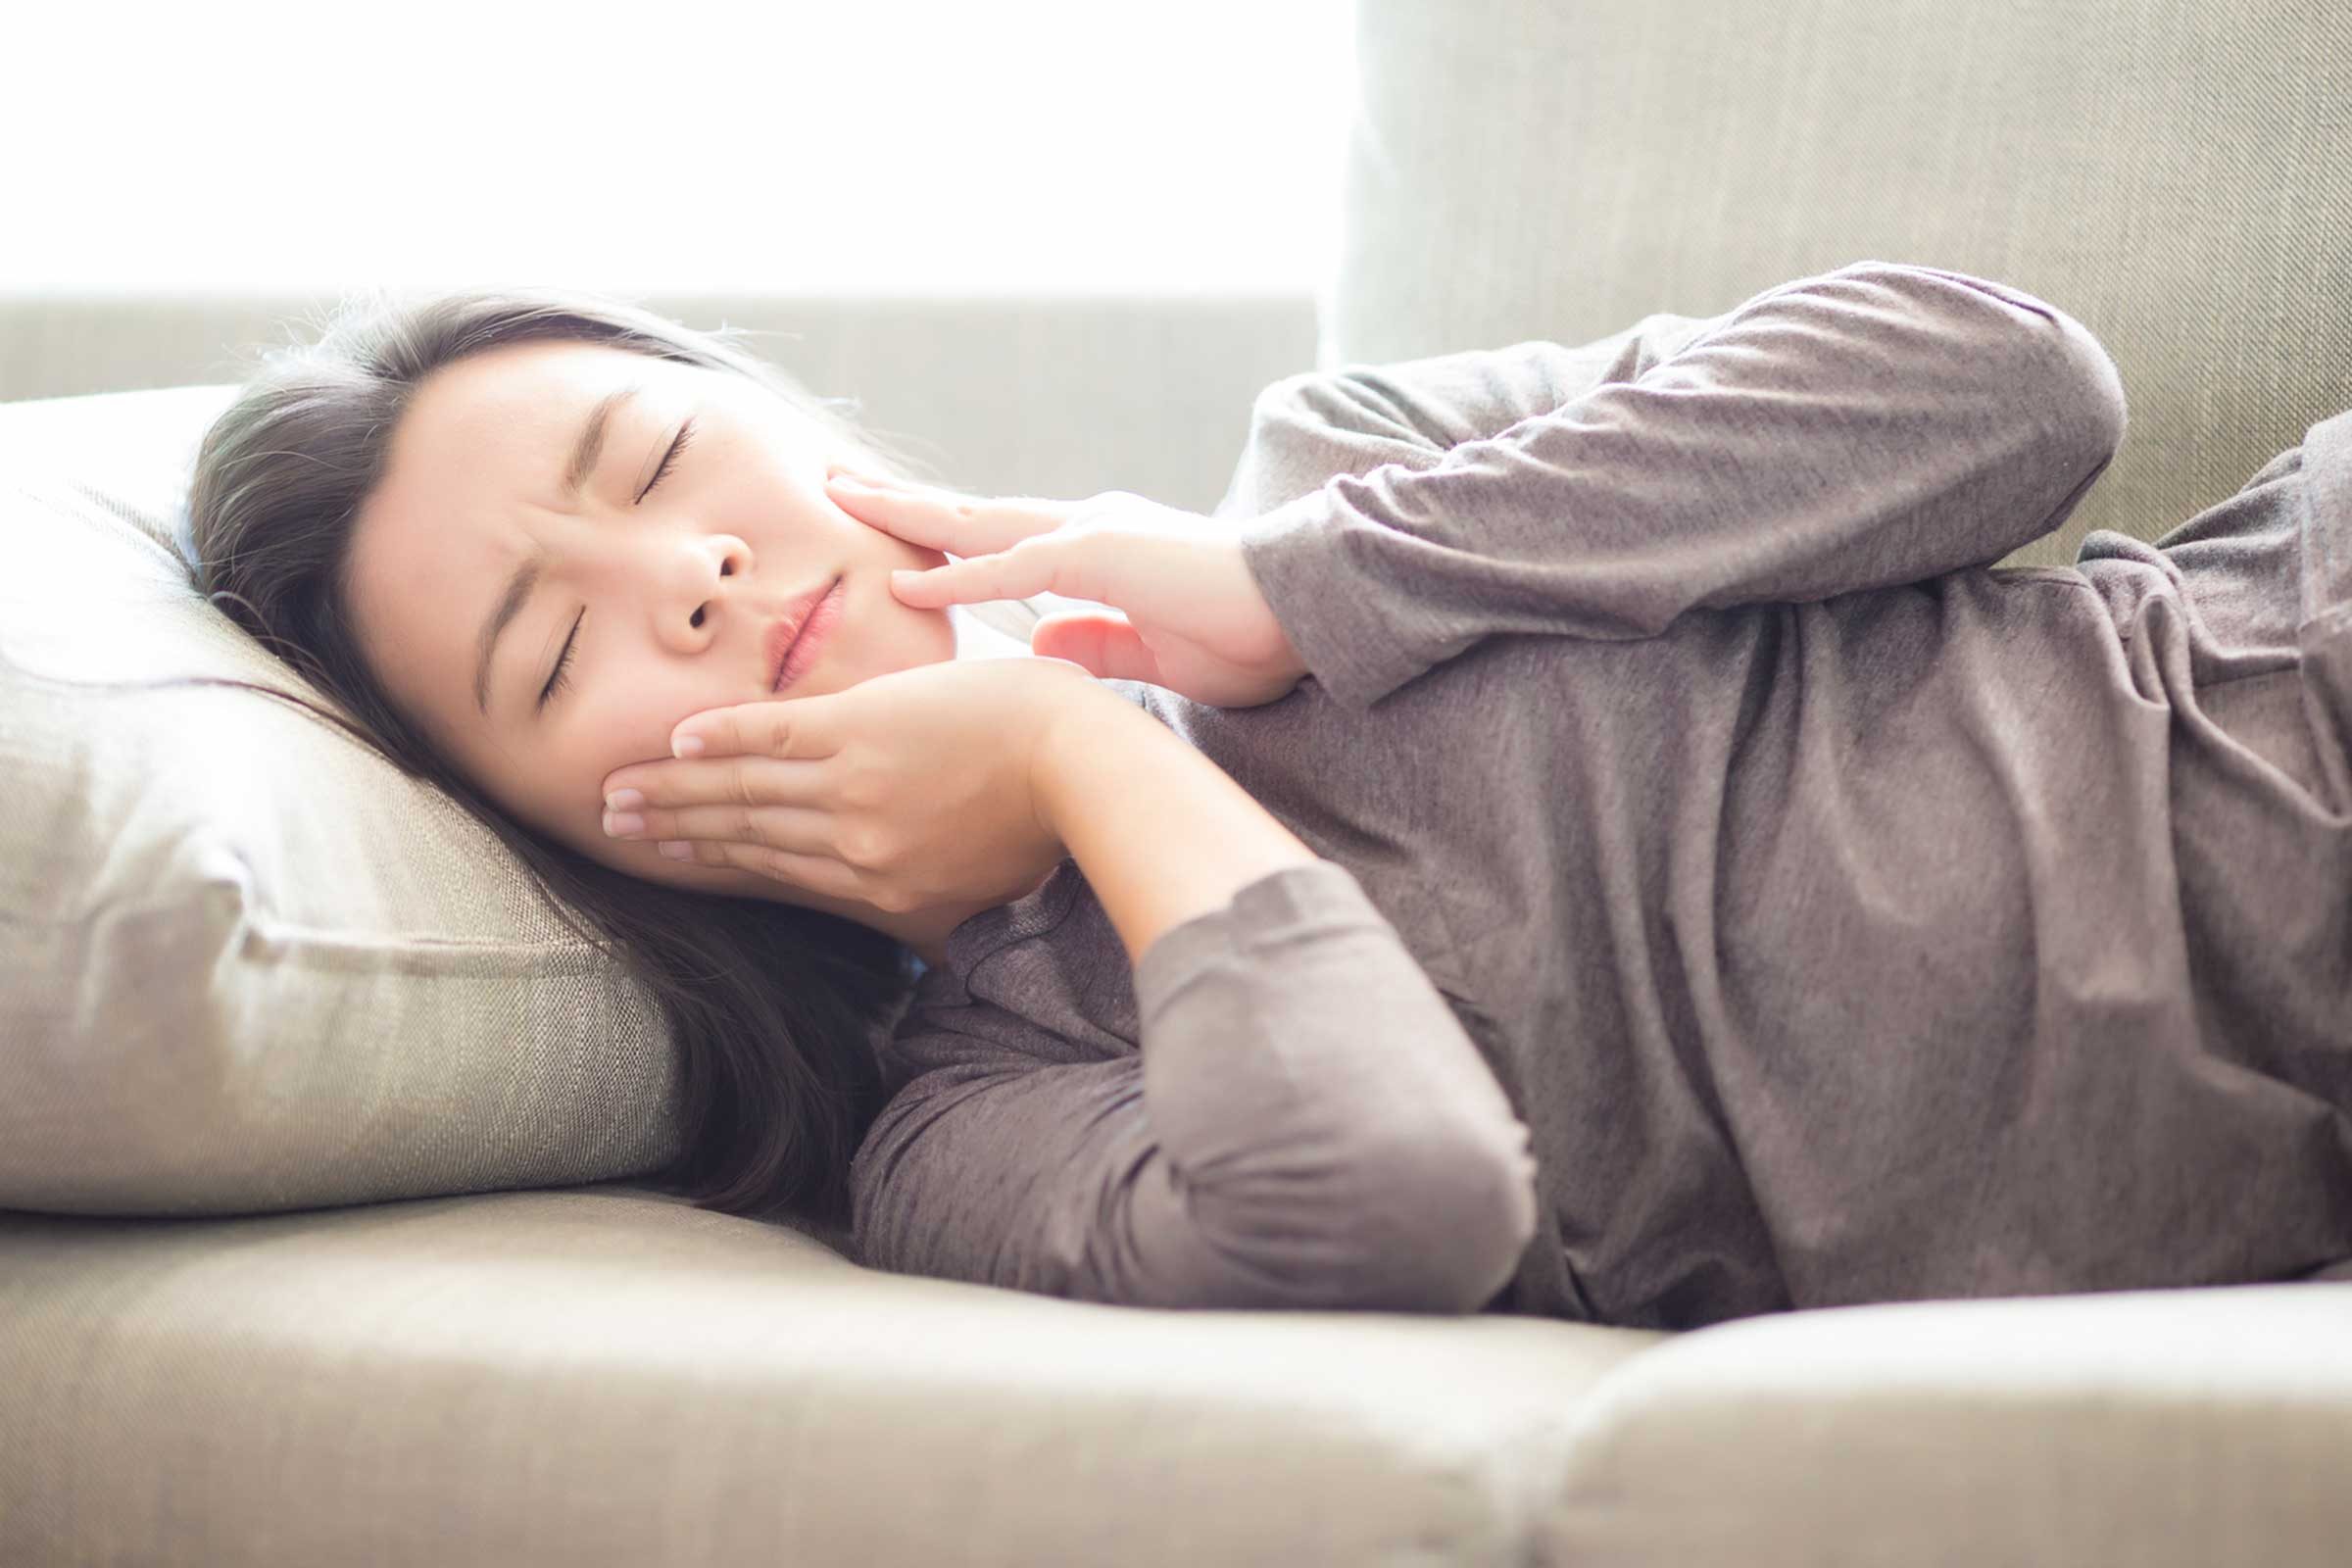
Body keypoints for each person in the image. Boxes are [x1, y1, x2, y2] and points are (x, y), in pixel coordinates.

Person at [187, 262, 2352, 1331]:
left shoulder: (1334, 461)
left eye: (660, 465)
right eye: (551, 657)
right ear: (574, 840)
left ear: (771, 406)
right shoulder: (980, 1114)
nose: (688, 579)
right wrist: (1075, 755)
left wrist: (1290, 588)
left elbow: (2015, 390)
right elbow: (1401, 1194)